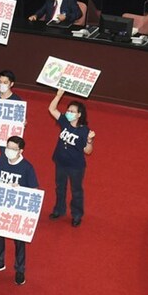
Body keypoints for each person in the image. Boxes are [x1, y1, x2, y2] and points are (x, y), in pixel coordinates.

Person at [0, 136, 39, 285]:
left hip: (17, 209)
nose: (9, 151)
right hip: (0, 205)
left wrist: (21, 190)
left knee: (19, 240)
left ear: (20, 151)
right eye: (8, 147)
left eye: (13, 149)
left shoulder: (27, 167)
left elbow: (34, 191)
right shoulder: (0, 161)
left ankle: (20, 269)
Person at [48, 88, 95, 227]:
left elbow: (88, 151)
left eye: (72, 111)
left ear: (79, 114)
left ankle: (76, 215)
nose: (68, 112)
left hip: (76, 167)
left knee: (76, 191)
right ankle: (59, 210)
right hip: (60, 162)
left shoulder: (84, 131)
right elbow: (52, 109)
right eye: (68, 110)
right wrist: (58, 95)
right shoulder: (64, 122)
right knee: (60, 187)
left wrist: (89, 141)